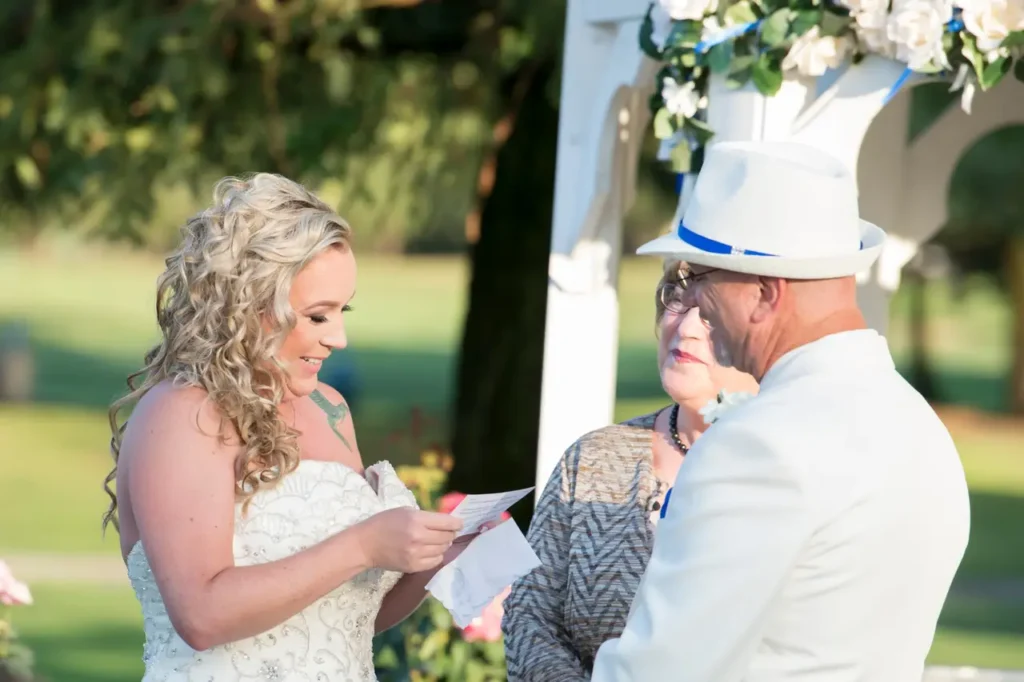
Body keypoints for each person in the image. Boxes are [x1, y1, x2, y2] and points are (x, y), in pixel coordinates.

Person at [586, 140, 971, 681]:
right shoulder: (922, 429)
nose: (689, 302)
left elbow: (659, 672)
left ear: (765, 293)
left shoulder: (756, 445)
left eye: (699, 277)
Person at [102, 173, 470, 680]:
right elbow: (201, 615)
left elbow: (351, 614)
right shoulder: (183, 414)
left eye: (344, 311)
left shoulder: (330, 409)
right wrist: (364, 544)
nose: (338, 338)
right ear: (250, 306)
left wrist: (439, 553)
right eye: (318, 317)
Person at [501, 259, 758, 679]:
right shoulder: (595, 459)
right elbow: (531, 615)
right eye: (678, 298)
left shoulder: (794, 466)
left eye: (710, 310)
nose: (687, 326)